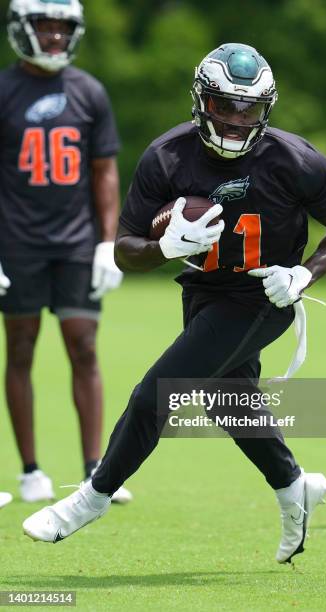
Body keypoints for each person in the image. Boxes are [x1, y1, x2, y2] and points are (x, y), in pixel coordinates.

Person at [23, 43, 326, 563]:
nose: (234, 119)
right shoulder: (167, 155)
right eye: (222, 105)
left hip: (262, 294)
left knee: (161, 390)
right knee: (226, 397)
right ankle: (293, 484)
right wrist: (163, 247)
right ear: (200, 101)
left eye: (246, 108)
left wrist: (304, 273)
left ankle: (92, 497)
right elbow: (124, 250)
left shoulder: (294, 159)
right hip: (204, 290)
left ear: (265, 109)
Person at [0, 0, 131, 504]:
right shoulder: (5, 90)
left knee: (85, 347)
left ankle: (96, 470)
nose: (55, 36)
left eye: (62, 28)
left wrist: (106, 240)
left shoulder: (89, 91)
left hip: (75, 242)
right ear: (22, 29)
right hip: (17, 241)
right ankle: (30, 470)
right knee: (20, 349)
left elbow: (104, 170)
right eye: (45, 26)